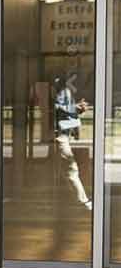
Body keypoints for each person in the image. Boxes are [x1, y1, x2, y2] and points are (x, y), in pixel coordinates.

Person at [53, 71, 92, 211]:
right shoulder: (63, 91)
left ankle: (68, 199)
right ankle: (83, 202)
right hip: (60, 137)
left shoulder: (66, 91)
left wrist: (76, 109)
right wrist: (75, 108)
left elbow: (62, 110)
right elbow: (57, 108)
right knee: (72, 170)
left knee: (64, 170)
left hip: (63, 136)